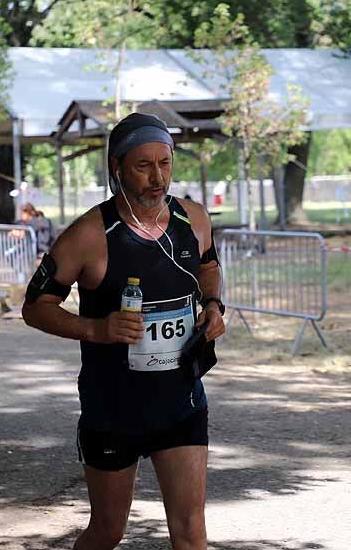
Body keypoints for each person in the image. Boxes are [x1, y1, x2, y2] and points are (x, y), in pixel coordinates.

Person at [22, 113, 226, 550]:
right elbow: (35, 307)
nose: (158, 178)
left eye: (165, 164)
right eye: (143, 166)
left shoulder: (194, 219)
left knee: (191, 535)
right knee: (107, 532)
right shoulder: (89, 235)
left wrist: (212, 306)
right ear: (117, 168)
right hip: (114, 408)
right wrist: (96, 328)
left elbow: (208, 266)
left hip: (181, 401)